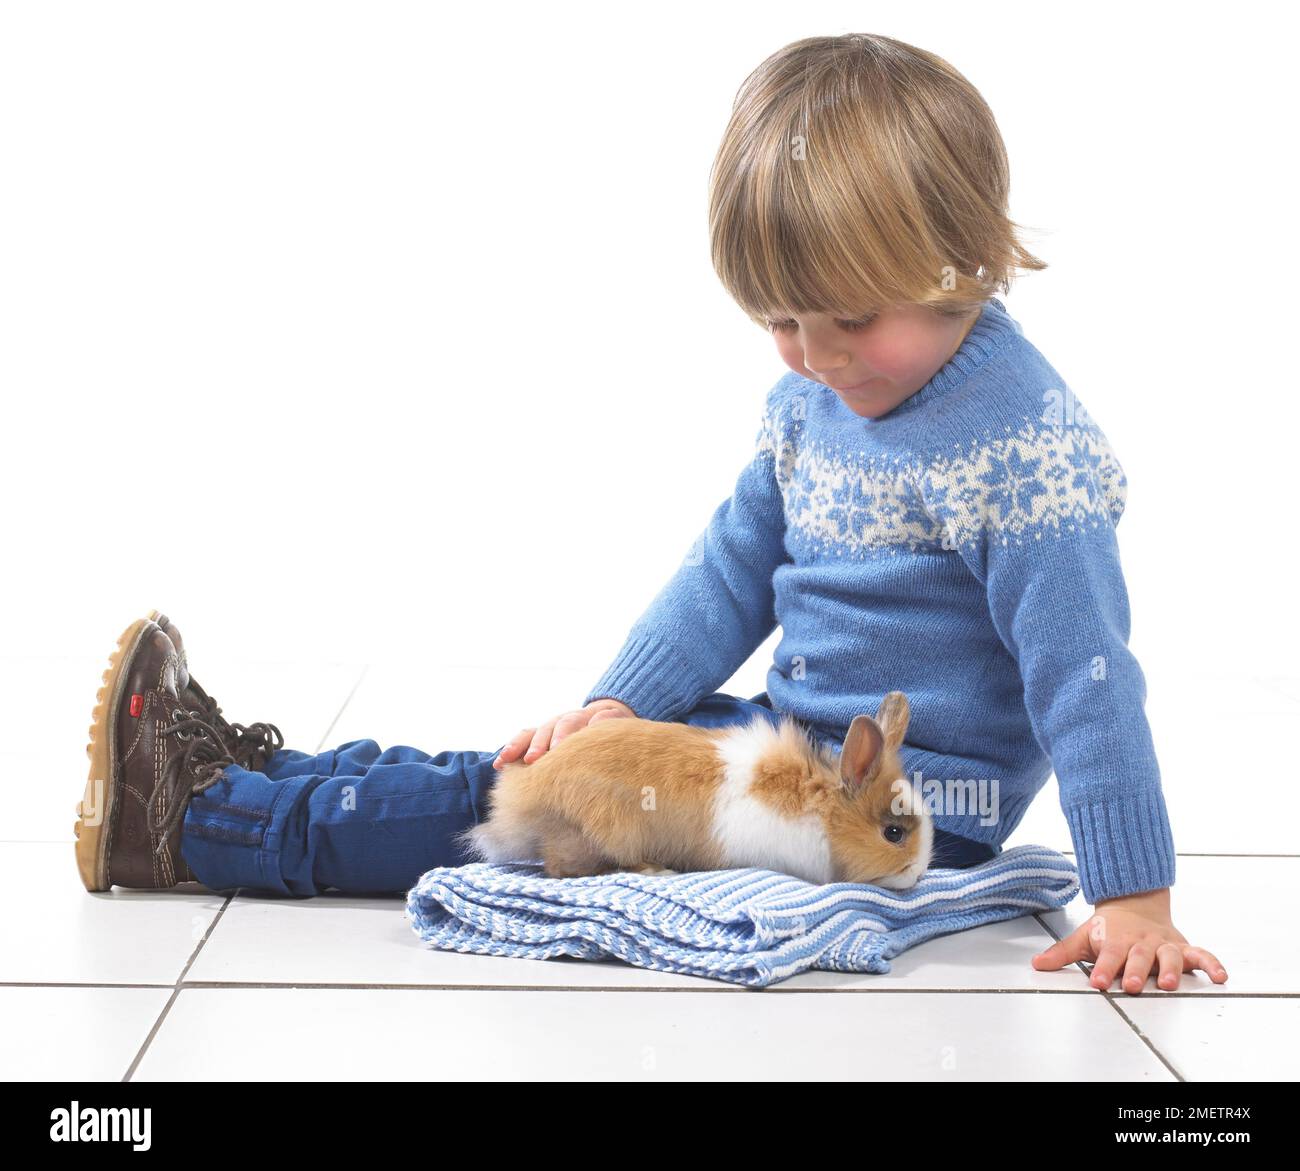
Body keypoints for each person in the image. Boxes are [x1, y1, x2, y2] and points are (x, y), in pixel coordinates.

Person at [73, 33, 1227, 996]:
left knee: (544, 821)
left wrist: (1133, 895)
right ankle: (259, 772)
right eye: (781, 321)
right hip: (788, 744)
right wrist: (615, 702)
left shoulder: (1022, 448)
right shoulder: (816, 400)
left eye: (850, 319)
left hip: (903, 806)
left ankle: (198, 823)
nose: (816, 358)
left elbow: (1083, 674)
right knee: (535, 762)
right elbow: (729, 569)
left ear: (966, 259)